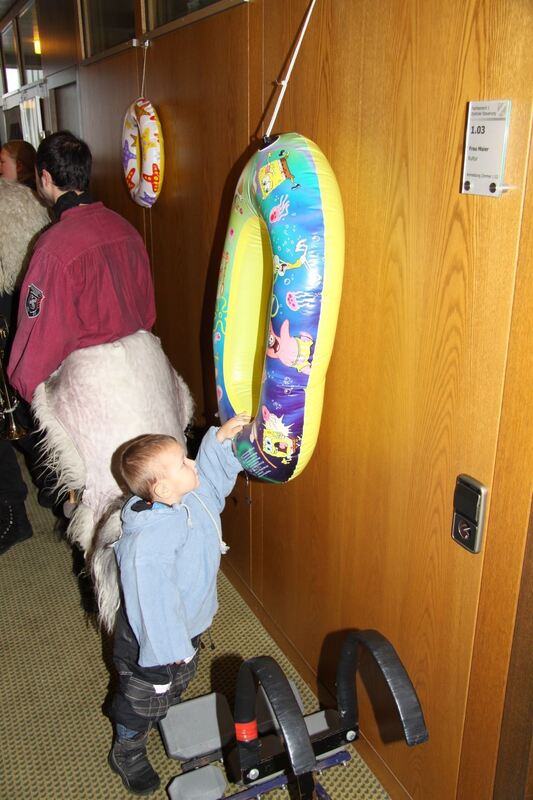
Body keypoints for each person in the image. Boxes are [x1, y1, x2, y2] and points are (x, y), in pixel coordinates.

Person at [6, 130, 193, 564]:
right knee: (161, 486)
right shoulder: (126, 229)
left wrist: (23, 384)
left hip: (97, 394)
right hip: (148, 373)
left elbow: (37, 341)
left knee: (109, 511)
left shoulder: (52, 249)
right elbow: (148, 311)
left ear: (45, 179)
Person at [108, 413, 248, 795]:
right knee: (141, 701)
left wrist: (218, 441)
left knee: (176, 688)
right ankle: (128, 747)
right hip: (151, 645)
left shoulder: (184, 499)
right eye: (184, 462)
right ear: (164, 490)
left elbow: (210, 484)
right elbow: (150, 603)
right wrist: (166, 656)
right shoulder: (148, 546)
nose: (192, 464)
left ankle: (166, 701)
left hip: (187, 629)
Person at [0, 162, 50, 555]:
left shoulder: (15, 200)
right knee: (30, 413)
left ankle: (14, 514)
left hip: (11, 312)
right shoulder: (26, 200)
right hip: (24, 310)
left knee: (17, 416)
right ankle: (53, 490)